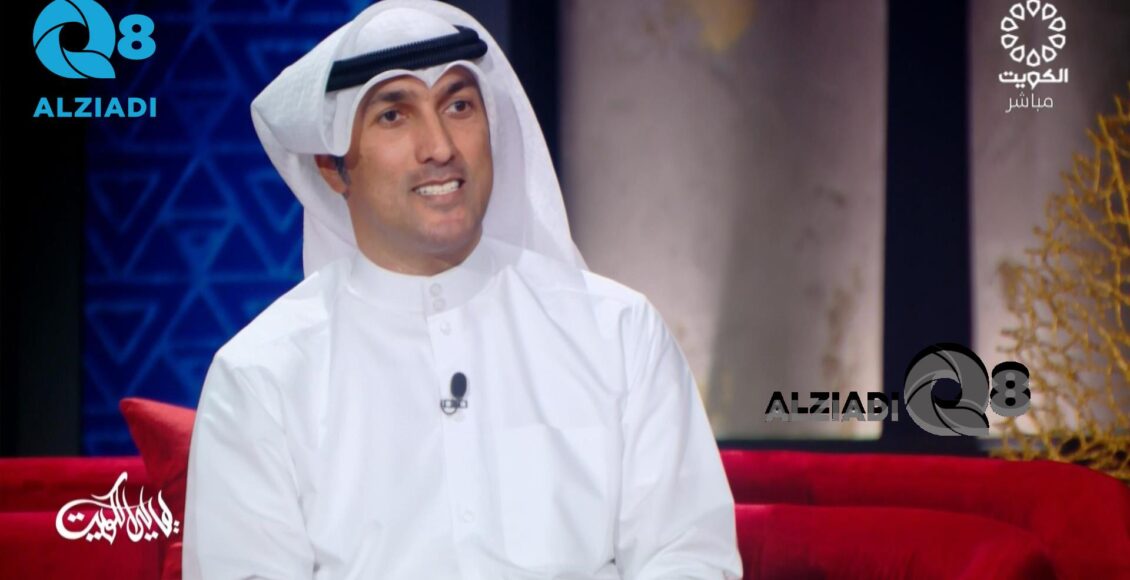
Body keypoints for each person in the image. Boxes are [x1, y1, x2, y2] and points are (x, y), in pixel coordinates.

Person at [182, 1, 742, 578]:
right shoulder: (263, 376)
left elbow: (689, 553)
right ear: (332, 166)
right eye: (393, 115)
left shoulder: (617, 331)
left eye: (458, 106)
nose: (440, 146)